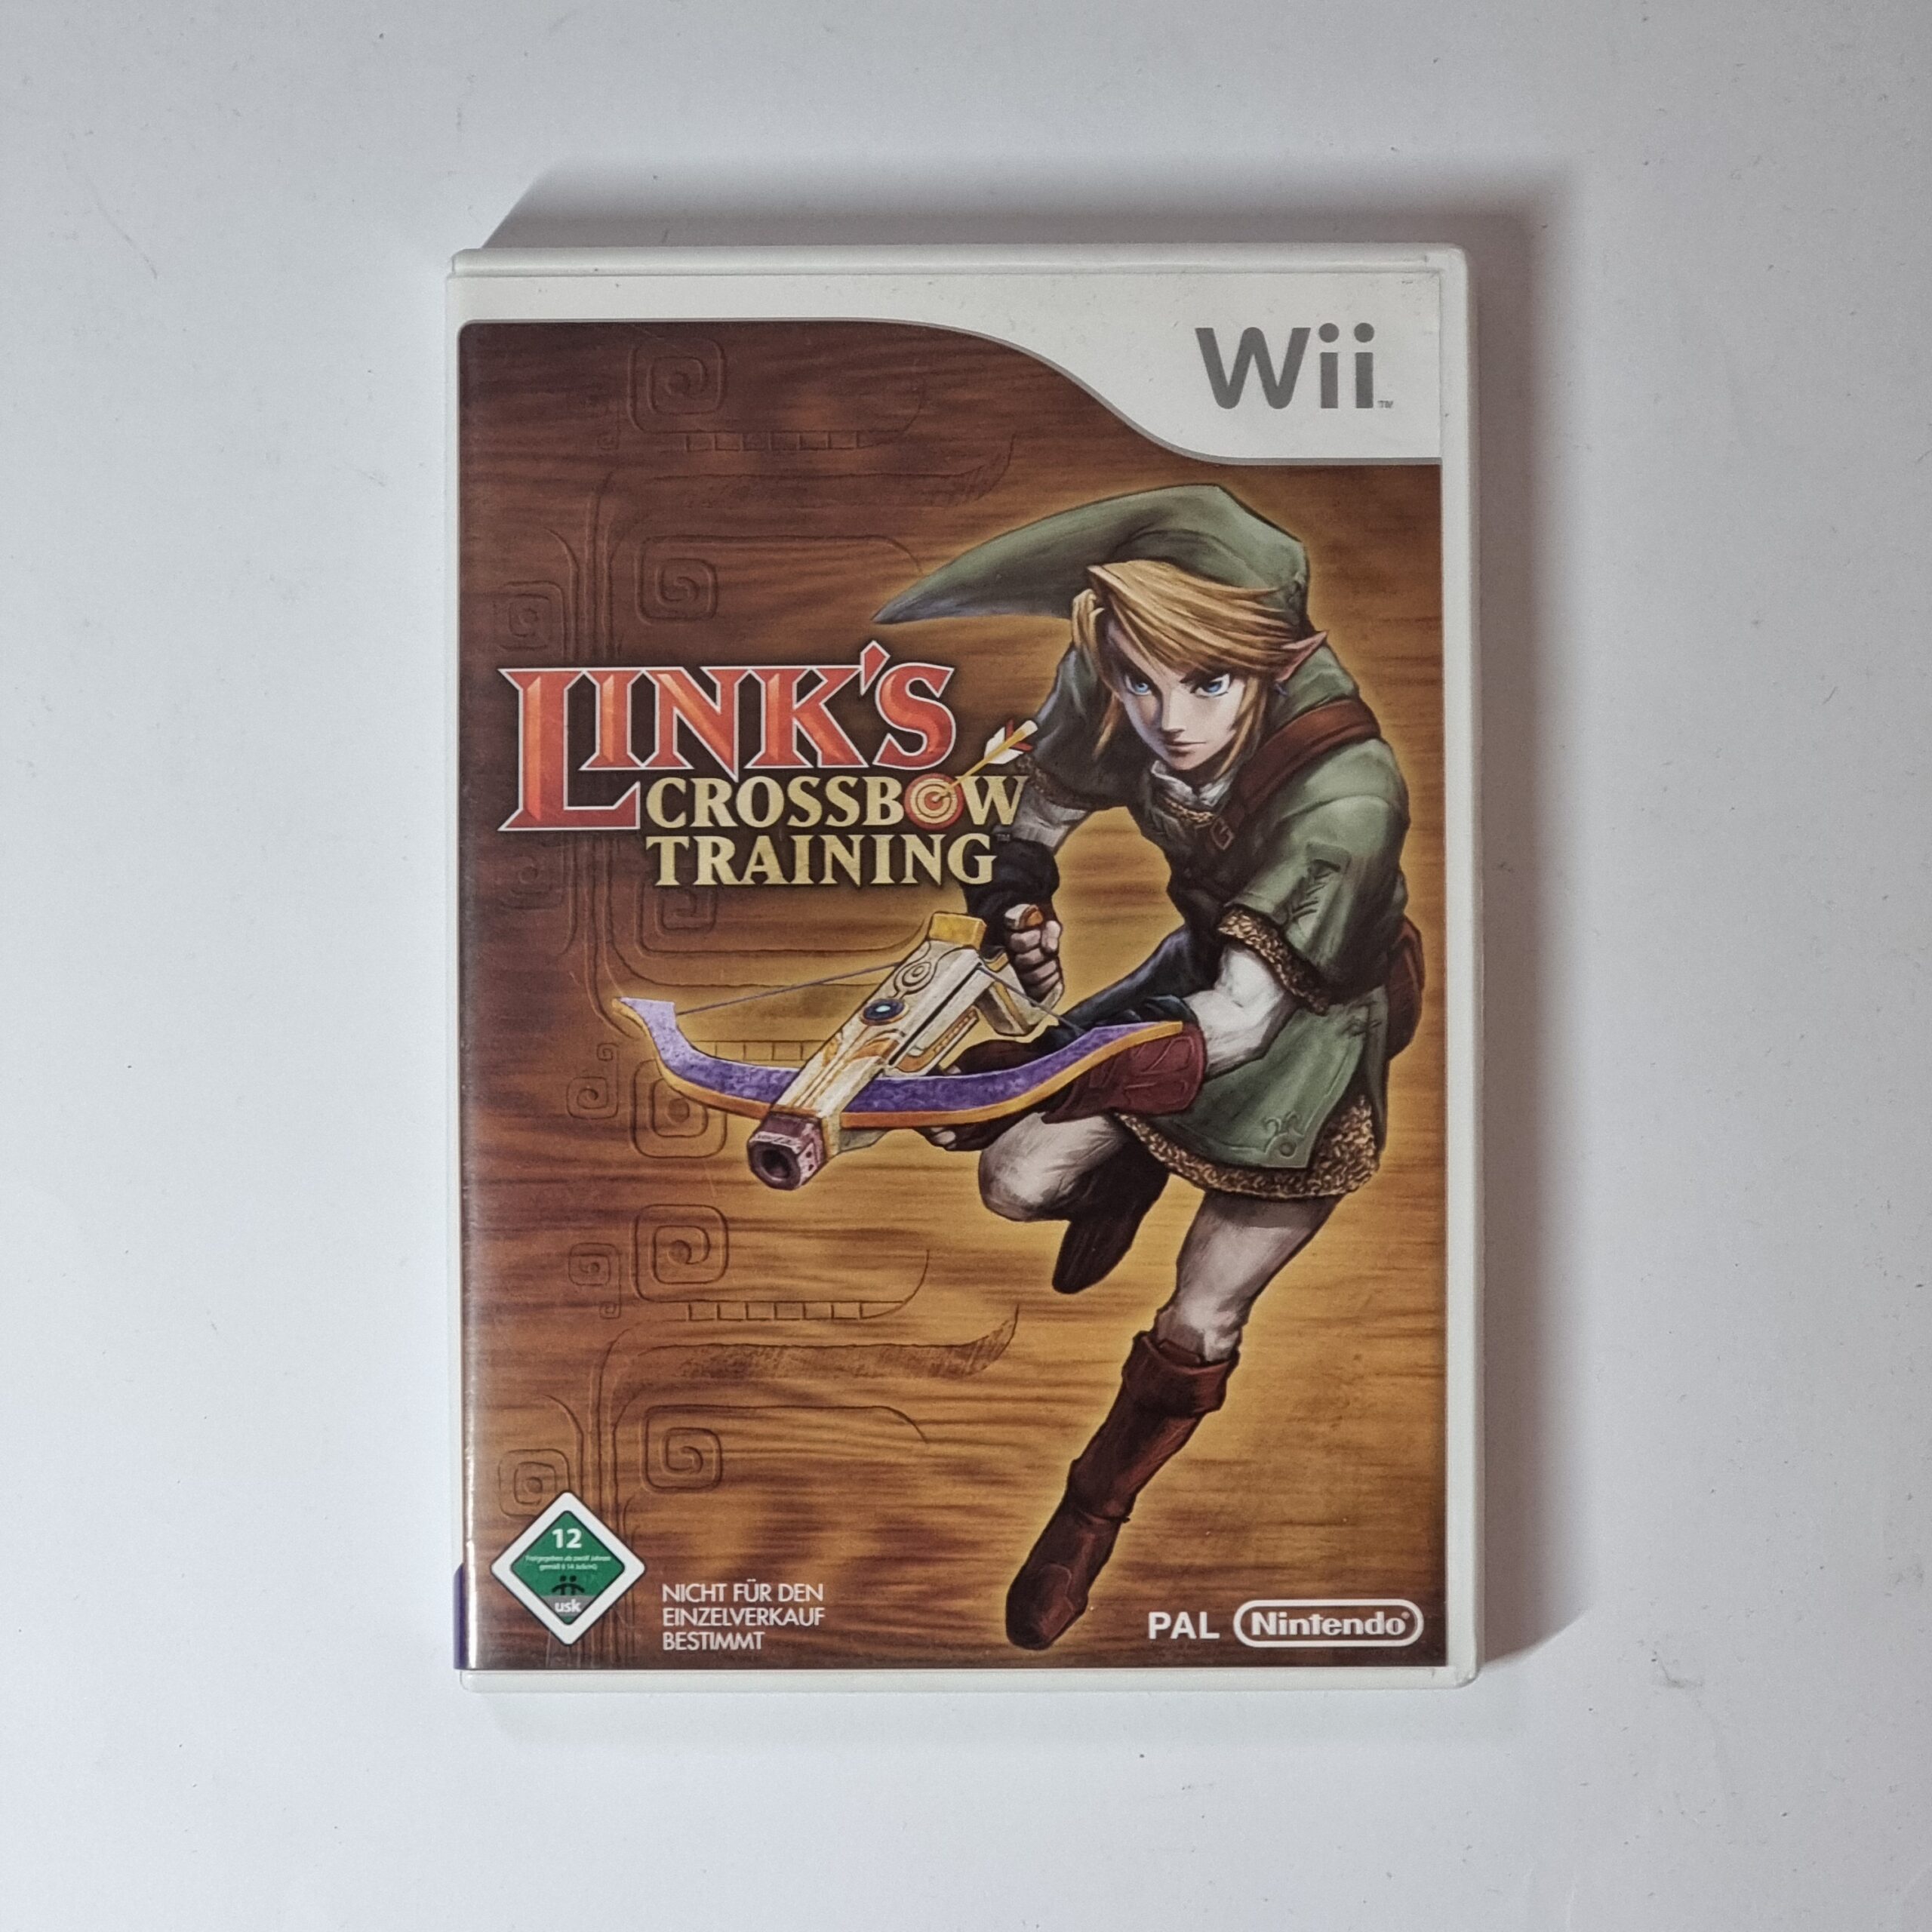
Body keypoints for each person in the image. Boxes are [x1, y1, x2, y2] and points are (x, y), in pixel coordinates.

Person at [875, 485, 1421, 1651]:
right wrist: (1021, 898)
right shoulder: (1122, 665)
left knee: (1202, 1314)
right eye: (1139, 681)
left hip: (1306, 1042)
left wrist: (1049, 1074)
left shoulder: (1351, 793)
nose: (1167, 718)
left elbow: (1241, 1027)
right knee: (1014, 1181)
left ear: (1280, 657)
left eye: (1208, 684)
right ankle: (1132, 1166)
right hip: (1199, 973)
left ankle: (1089, 1515)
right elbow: (1040, 814)